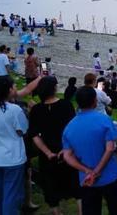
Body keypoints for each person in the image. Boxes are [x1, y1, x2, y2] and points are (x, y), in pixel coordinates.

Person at [62, 86, 117, 215]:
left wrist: (87, 170)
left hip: (86, 178)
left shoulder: (70, 126)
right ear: (95, 101)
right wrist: (97, 171)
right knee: (116, 208)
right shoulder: (104, 120)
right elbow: (110, 148)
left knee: (91, 210)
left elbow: (67, 155)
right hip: (109, 176)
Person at [29, 76, 81, 215]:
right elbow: (73, 130)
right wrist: (66, 149)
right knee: (76, 186)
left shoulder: (36, 110)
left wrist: (47, 153)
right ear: (54, 88)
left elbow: (34, 135)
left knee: (50, 188)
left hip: (47, 154)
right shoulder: (66, 105)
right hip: (67, 151)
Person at [0, 76, 29, 215]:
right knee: (11, 195)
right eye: (14, 86)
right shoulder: (14, 110)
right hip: (12, 158)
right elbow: (22, 130)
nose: (16, 89)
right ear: (8, 90)